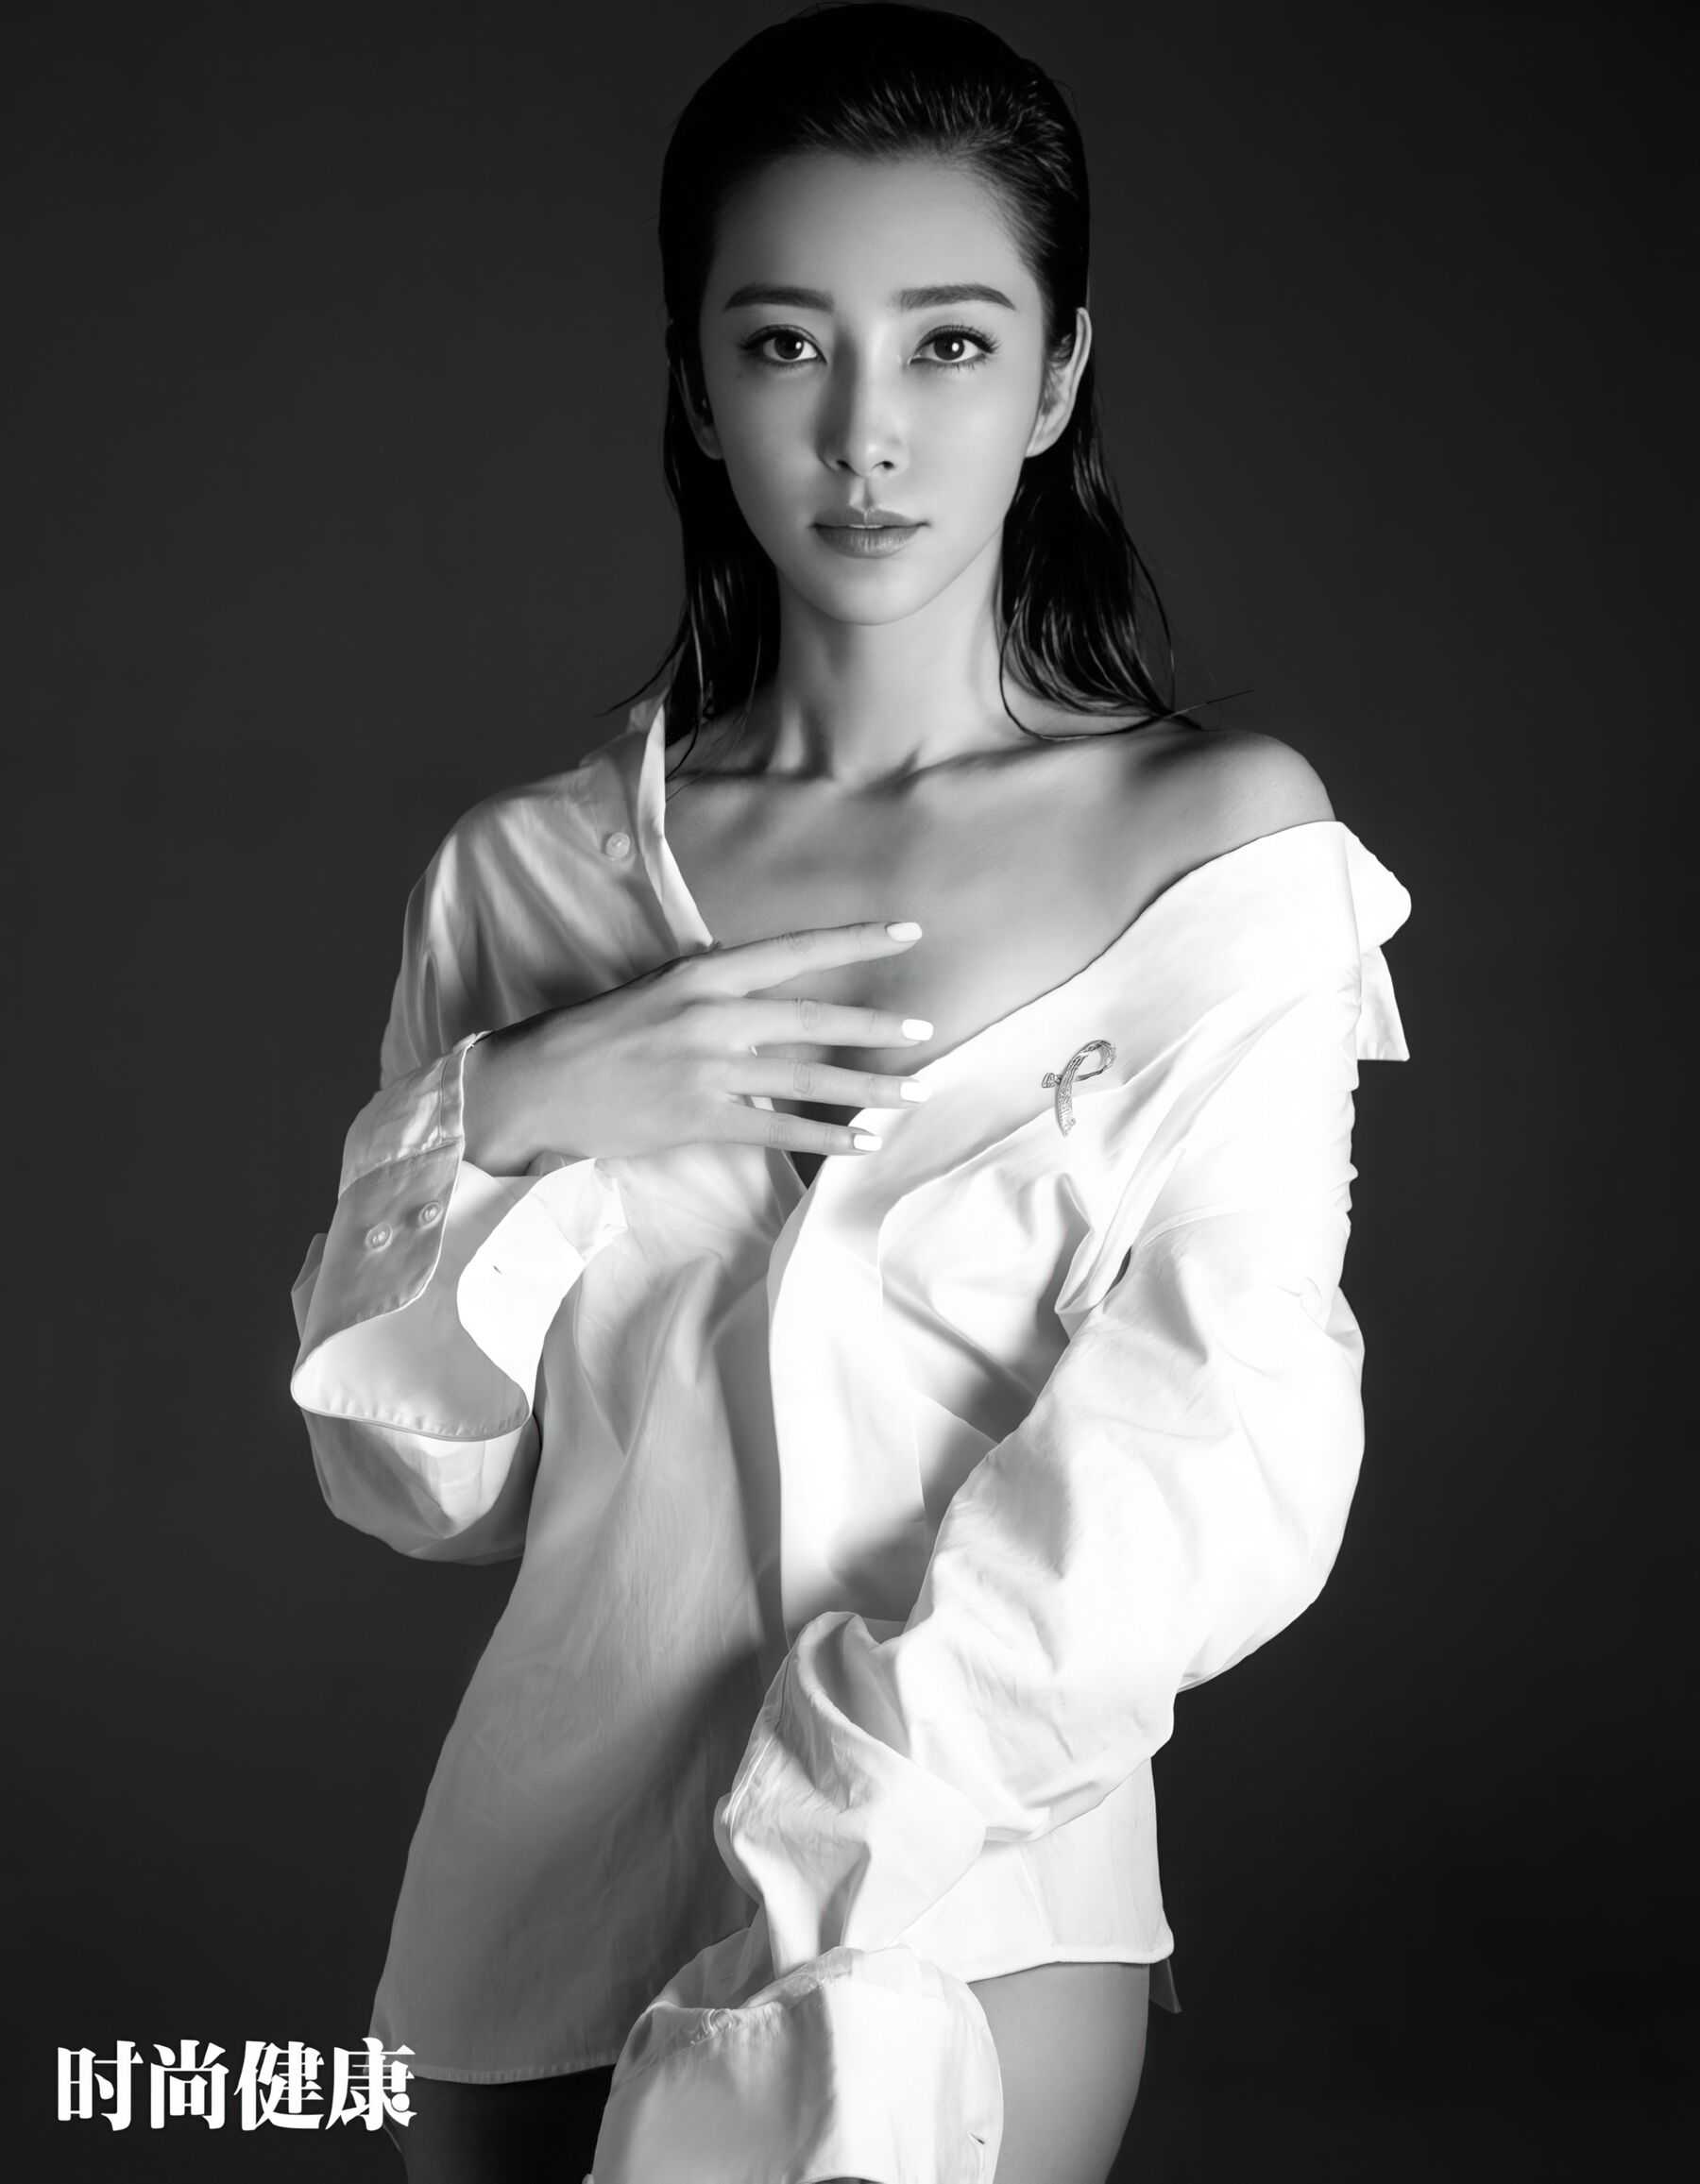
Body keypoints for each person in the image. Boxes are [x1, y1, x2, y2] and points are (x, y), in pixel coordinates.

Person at [287, 7, 1413, 2181]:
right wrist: (520, 1100)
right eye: (788, 344)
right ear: (699, 387)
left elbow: (1229, 1420)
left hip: (971, 1893)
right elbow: (418, 1485)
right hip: (536, 1909)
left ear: (1059, 377)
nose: (868, 432)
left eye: (952, 344)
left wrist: (845, 1803)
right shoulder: (526, 876)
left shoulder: (1218, 852)